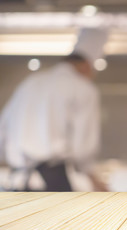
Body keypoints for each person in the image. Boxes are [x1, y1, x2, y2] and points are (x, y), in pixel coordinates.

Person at [0, 28, 108, 191]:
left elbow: (3, 129)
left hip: (18, 183)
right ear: (87, 65)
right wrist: (94, 179)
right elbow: (83, 149)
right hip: (55, 183)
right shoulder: (83, 89)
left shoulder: (30, 82)